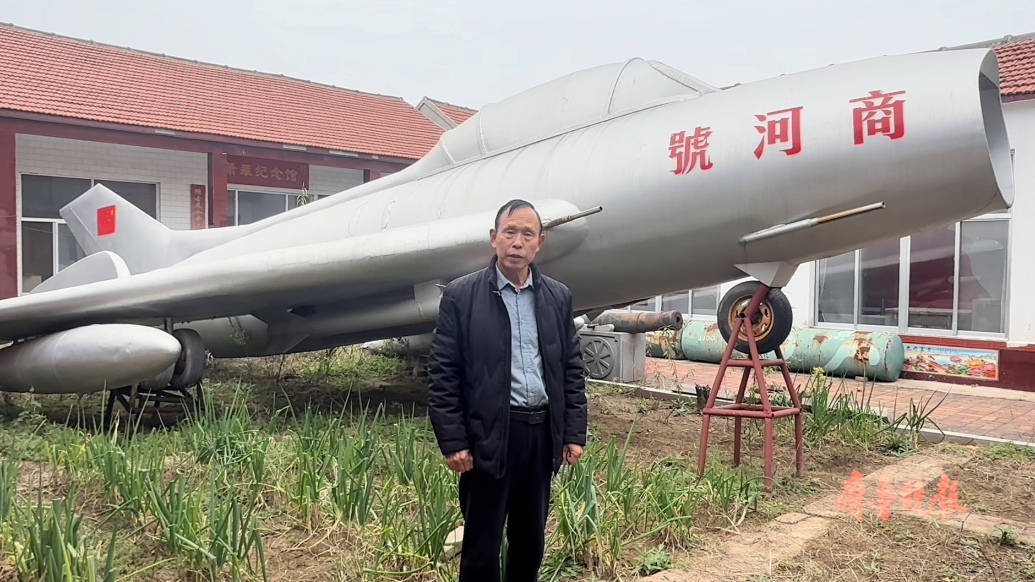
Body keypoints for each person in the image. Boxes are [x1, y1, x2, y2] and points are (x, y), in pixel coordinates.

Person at [427, 199, 588, 582]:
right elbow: (443, 373)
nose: (518, 242)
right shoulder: (462, 296)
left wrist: (573, 432)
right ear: (494, 237)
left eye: (527, 234)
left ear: (540, 242)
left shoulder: (557, 297)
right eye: (510, 232)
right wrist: (454, 441)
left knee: (530, 542)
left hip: (541, 436)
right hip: (489, 437)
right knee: (481, 547)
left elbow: (571, 368)